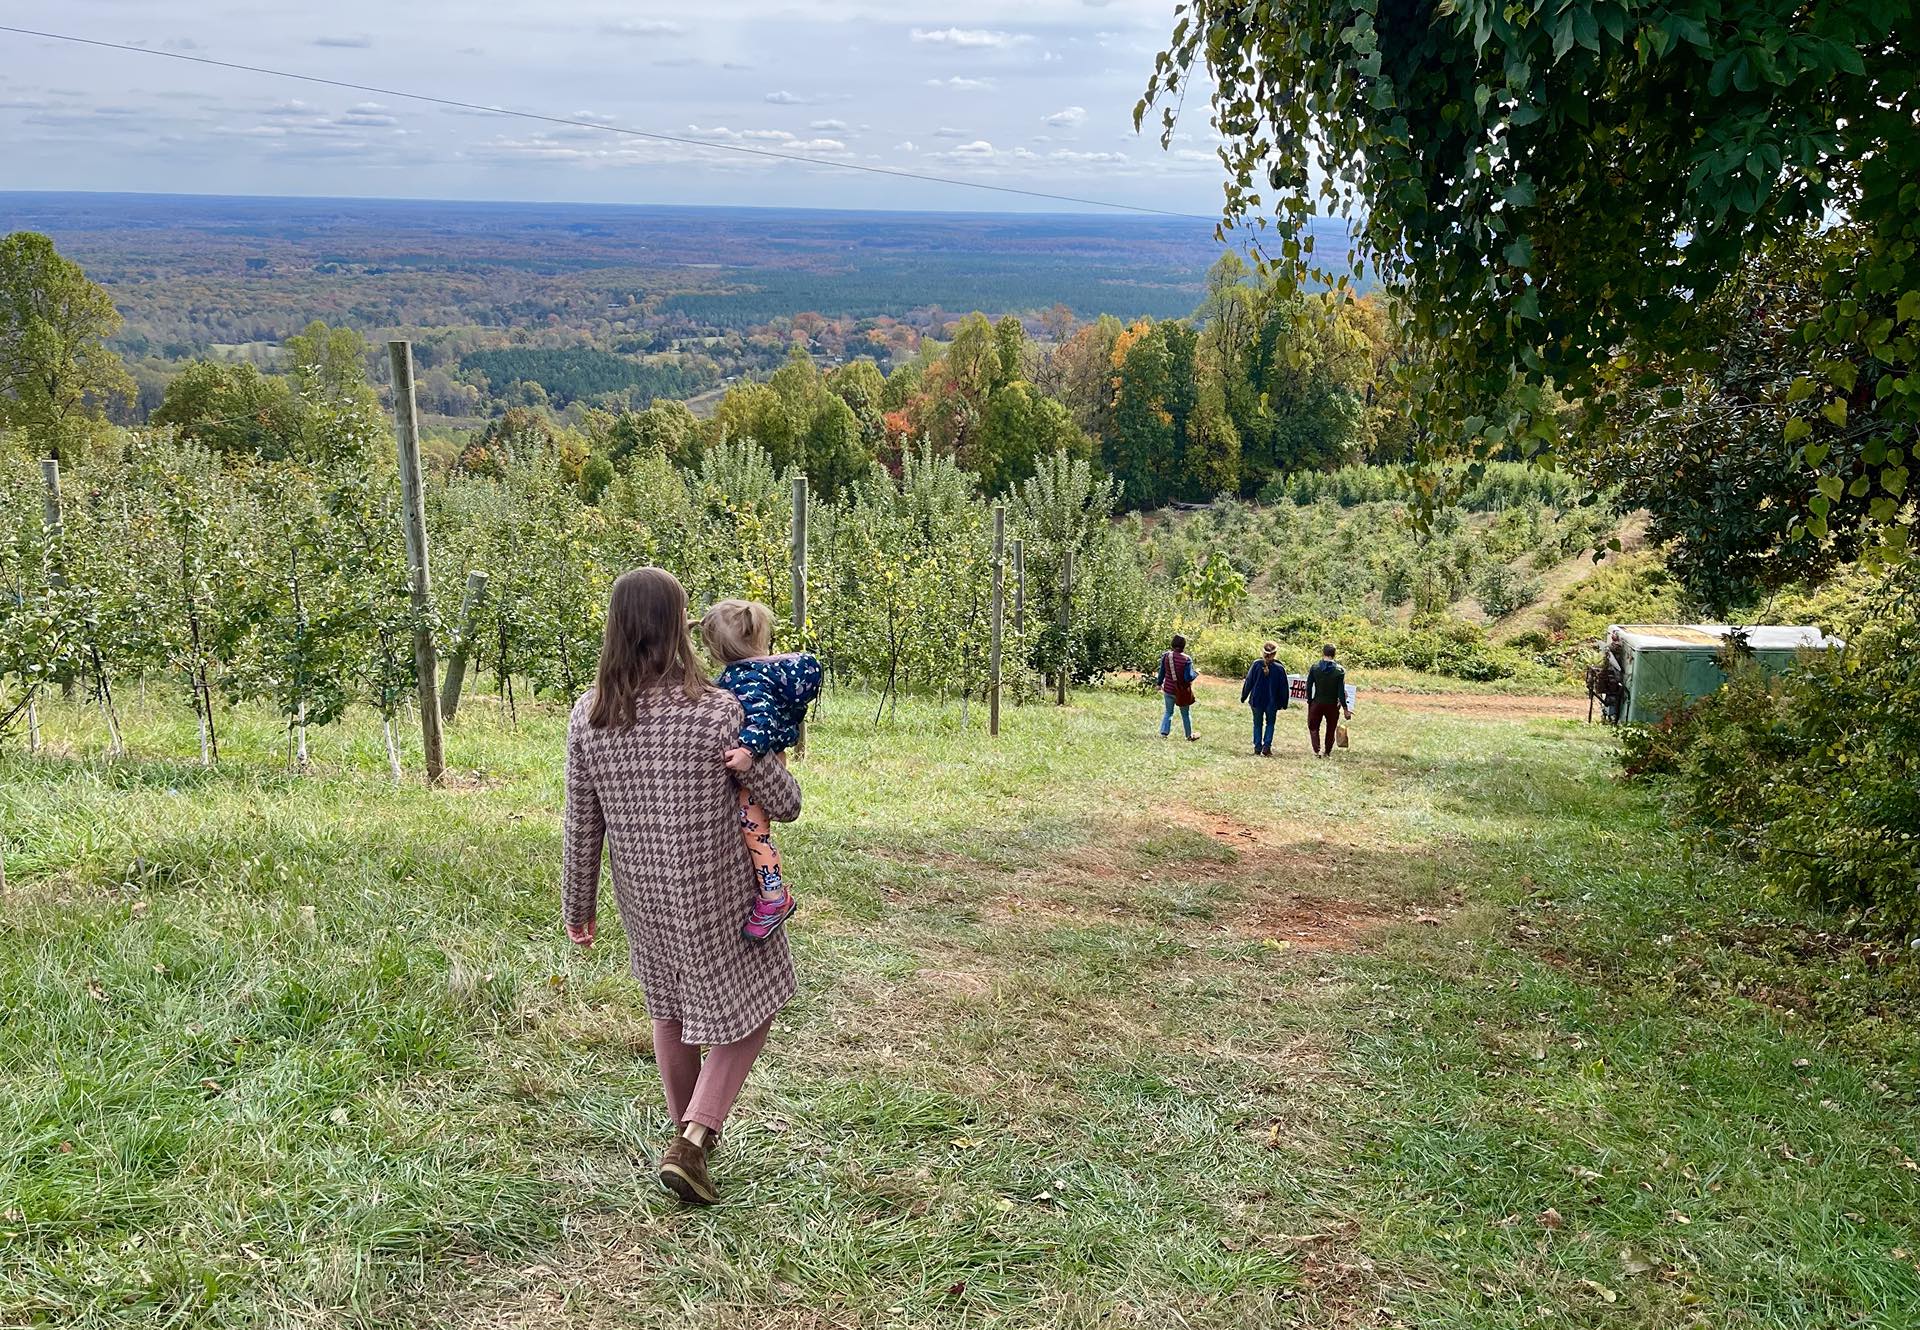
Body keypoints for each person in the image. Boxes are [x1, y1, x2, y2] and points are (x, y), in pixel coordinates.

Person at [563, 567, 803, 1207]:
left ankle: (685, 1141)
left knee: (668, 1013)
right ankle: (694, 1140)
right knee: (755, 1006)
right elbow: (783, 803)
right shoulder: (717, 710)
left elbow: (583, 821)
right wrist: (770, 758)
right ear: (677, 628)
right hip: (720, 892)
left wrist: (577, 906)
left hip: (644, 897)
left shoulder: (588, 716)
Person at [700, 598, 822, 943]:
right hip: (773, 755)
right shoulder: (767, 670)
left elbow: (762, 716)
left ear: (717, 650)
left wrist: (748, 751)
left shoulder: (747, 678)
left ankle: (774, 898)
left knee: (754, 829)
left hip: (763, 759)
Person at [1240, 641, 1288, 756]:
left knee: (1257, 724)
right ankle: (1266, 746)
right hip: (1272, 702)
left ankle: (1257, 747)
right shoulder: (1280, 668)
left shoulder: (1256, 665)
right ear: (1275, 653)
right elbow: (1284, 688)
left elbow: (1249, 682)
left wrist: (1244, 696)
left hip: (1256, 700)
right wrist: (1284, 702)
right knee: (1270, 723)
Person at [1304, 642, 1351, 758]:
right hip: (1332, 704)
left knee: (1313, 726)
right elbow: (1341, 692)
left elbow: (1308, 686)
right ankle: (1327, 752)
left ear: (1323, 653)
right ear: (1334, 654)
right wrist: (1345, 708)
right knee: (1331, 727)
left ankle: (1317, 750)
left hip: (1317, 702)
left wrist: (1310, 701)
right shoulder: (1339, 671)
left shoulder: (1315, 668)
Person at [1155, 633, 1199, 741]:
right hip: (1181, 691)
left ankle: (1164, 733)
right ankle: (1188, 735)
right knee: (1185, 714)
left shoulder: (1166, 656)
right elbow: (1188, 677)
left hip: (1168, 689)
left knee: (1168, 712)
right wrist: (1196, 673)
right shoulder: (1187, 659)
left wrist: (1159, 684)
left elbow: (1162, 672)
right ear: (1184, 645)